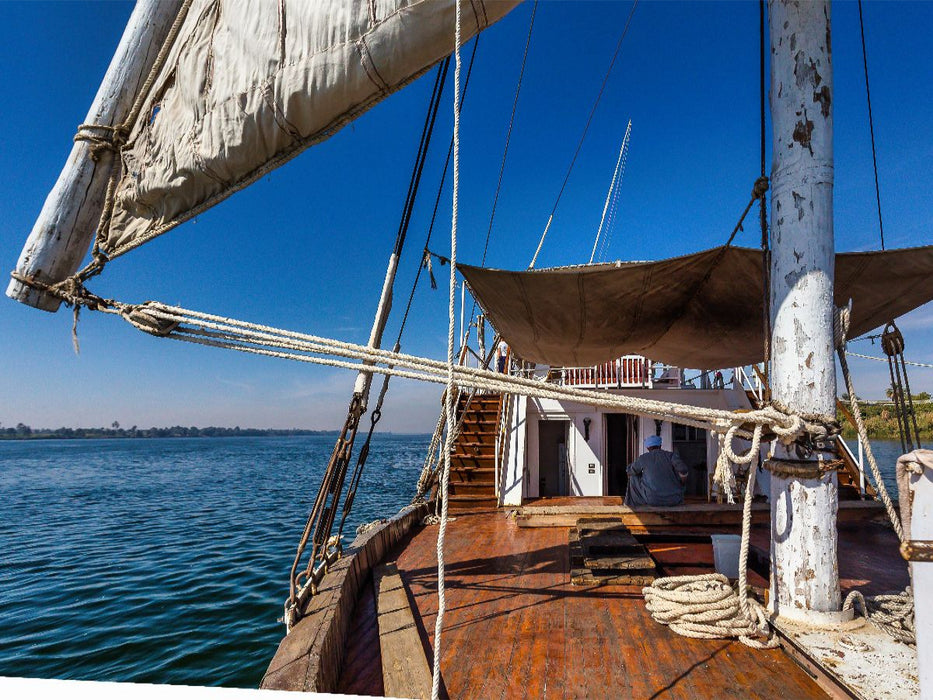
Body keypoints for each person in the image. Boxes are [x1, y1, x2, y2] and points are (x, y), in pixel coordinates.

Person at [624, 435, 689, 507]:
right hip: (674, 499)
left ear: (647, 447)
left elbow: (629, 471)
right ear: (660, 445)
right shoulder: (671, 456)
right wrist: (682, 481)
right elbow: (683, 469)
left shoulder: (644, 458)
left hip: (652, 500)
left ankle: (631, 504)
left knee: (633, 476)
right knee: (679, 474)